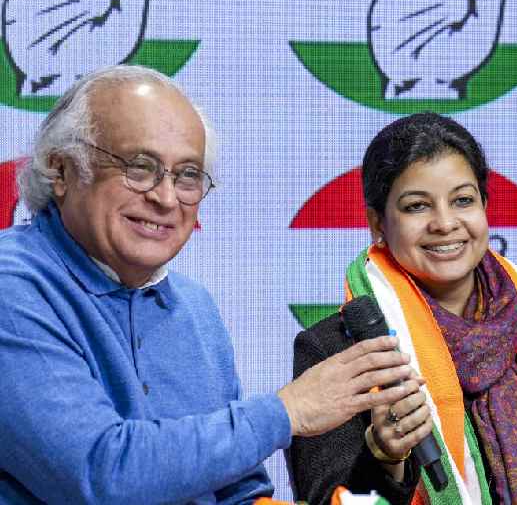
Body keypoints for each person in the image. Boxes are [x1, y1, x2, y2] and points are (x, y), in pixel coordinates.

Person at [0, 65, 420, 504]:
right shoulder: (14, 286)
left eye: (186, 176)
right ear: (62, 170)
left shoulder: (193, 307)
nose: (165, 198)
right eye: (140, 168)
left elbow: (240, 492)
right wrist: (287, 412)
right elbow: (102, 475)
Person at [288, 113, 517, 504]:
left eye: (463, 201)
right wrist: (385, 460)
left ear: (485, 207)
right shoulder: (335, 350)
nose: (445, 223)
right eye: (417, 206)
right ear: (378, 223)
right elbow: (325, 498)